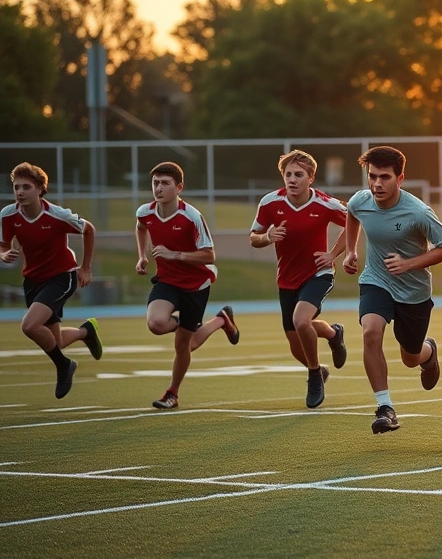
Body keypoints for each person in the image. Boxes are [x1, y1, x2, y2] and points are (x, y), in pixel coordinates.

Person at [342, 145, 442, 434]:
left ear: (400, 178)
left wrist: (410, 264)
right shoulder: (360, 201)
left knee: (410, 357)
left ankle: (428, 354)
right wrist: (350, 251)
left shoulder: (418, 212)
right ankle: (385, 407)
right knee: (370, 331)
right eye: (372, 177)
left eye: (385, 177)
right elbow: (352, 214)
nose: (377, 184)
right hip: (376, 280)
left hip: (413, 292)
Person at [136, 162, 240, 409]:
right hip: (167, 282)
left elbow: (209, 255)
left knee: (186, 344)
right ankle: (218, 321)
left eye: (165, 183)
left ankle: (172, 393)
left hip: (196, 284)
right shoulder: (145, 212)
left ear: (179, 187)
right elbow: (141, 227)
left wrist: (176, 255)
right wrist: (142, 256)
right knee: (156, 323)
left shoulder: (191, 216)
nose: (158, 188)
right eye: (155, 183)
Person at [250, 150, 348, 409]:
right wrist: (267, 237)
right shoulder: (270, 202)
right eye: (288, 174)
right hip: (286, 278)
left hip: (318, 273)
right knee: (296, 346)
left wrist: (333, 254)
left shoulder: (326, 204)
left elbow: (355, 224)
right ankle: (332, 333)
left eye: (299, 174)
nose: (292, 179)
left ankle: (315, 375)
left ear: (311, 178)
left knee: (301, 319)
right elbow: (254, 237)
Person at [0, 162, 103, 399]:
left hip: (61, 276)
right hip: (33, 280)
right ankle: (85, 332)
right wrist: (4, 254)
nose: (20, 192)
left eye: (26, 186)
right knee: (55, 341)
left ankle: (64, 366)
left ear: (39, 189)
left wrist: (85, 267)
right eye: (16, 187)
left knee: (29, 325)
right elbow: (4, 245)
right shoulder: (8, 215)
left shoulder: (57, 215)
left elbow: (89, 229)